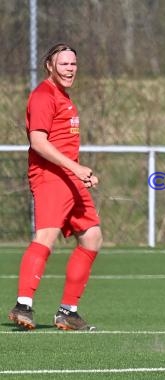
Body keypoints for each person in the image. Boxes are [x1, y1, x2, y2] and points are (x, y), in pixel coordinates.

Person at [7, 43, 102, 332]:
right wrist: (75, 167)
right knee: (45, 238)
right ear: (50, 65)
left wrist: (78, 171)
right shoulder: (43, 96)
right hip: (51, 177)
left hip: (70, 178)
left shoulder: (64, 97)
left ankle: (67, 312)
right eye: (64, 64)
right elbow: (38, 142)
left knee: (92, 237)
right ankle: (23, 305)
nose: (70, 69)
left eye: (73, 64)